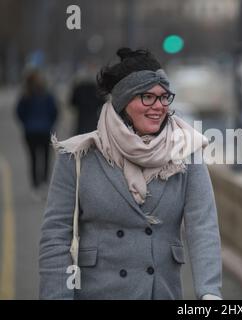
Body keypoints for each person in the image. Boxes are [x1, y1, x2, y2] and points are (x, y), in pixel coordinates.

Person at [39, 48, 222, 300]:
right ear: (123, 102)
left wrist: (210, 292)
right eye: (147, 97)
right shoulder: (78, 156)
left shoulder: (186, 152)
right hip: (97, 292)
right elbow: (56, 237)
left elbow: (203, 226)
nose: (158, 106)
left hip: (160, 292)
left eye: (164, 97)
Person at [16, 70, 58, 199]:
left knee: (33, 158)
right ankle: (44, 183)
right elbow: (55, 111)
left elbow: (19, 112)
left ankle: (35, 186)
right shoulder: (47, 94)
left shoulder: (26, 95)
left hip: (30, 132)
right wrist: (50, 123)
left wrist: (26, 123)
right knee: (46, 157)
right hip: (45, 130)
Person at [70, 64, 105, 135]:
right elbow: (103, 102)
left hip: (81, 121)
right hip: (93, 122)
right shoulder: (97, 89)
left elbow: (72, 102)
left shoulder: (79, 88)